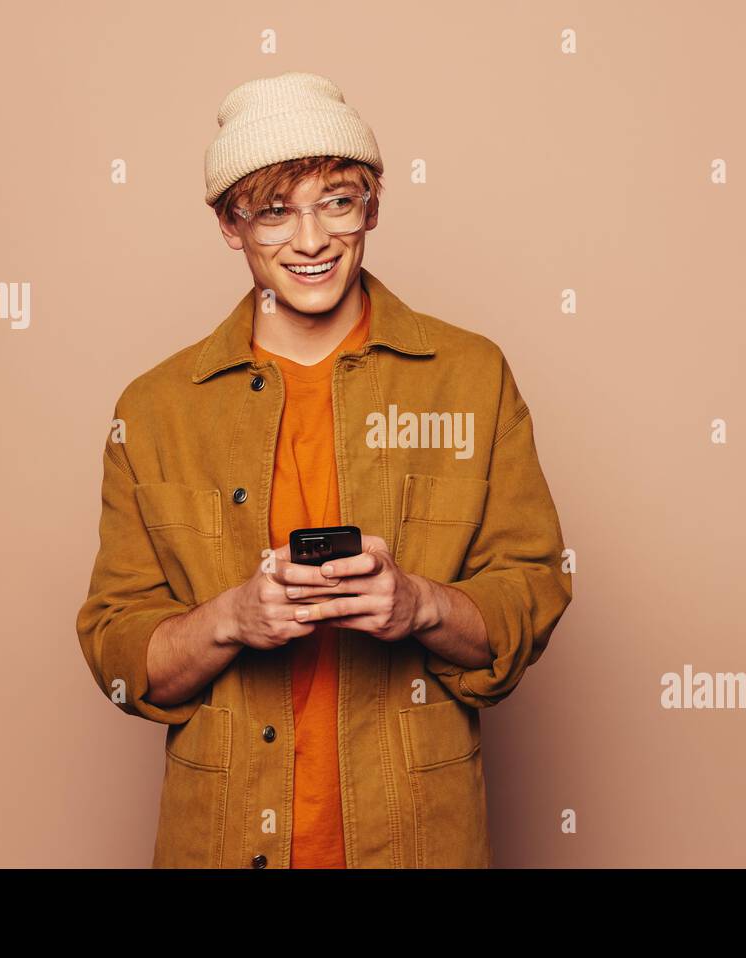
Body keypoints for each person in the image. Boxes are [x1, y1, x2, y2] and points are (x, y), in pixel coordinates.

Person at [76, 71, 572, 868]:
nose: (310, 240)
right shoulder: (156, 407)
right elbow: (118, 656)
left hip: (419, 842)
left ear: (371, 207)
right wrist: (230, 619)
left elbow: (532, 594)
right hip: (220, 842)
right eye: (274, 211)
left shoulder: (471, 377)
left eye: (336, 201)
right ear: (229, 225)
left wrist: (419, 604)